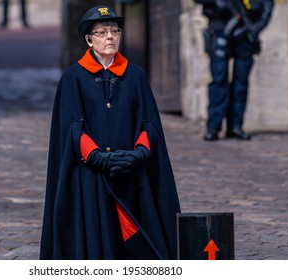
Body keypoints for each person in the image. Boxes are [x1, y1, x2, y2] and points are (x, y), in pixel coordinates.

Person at [40, 5, 181, 260]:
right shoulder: (73, 78)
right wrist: (96, 157)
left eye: (115, 31)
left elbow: (148, 123)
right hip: (90, 178)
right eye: (102, 32)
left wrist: (139, 153)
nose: (110, 37)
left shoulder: (135, 75)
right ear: (89, 40)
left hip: (132, 173)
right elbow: (72, 127)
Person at [194, 0, 274, 141]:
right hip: (220, 29)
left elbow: (267, 7)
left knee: (241, 84)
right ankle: (213, 126)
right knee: (219, 80)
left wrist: (254, 28)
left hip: (245, 35)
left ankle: (235, 126)